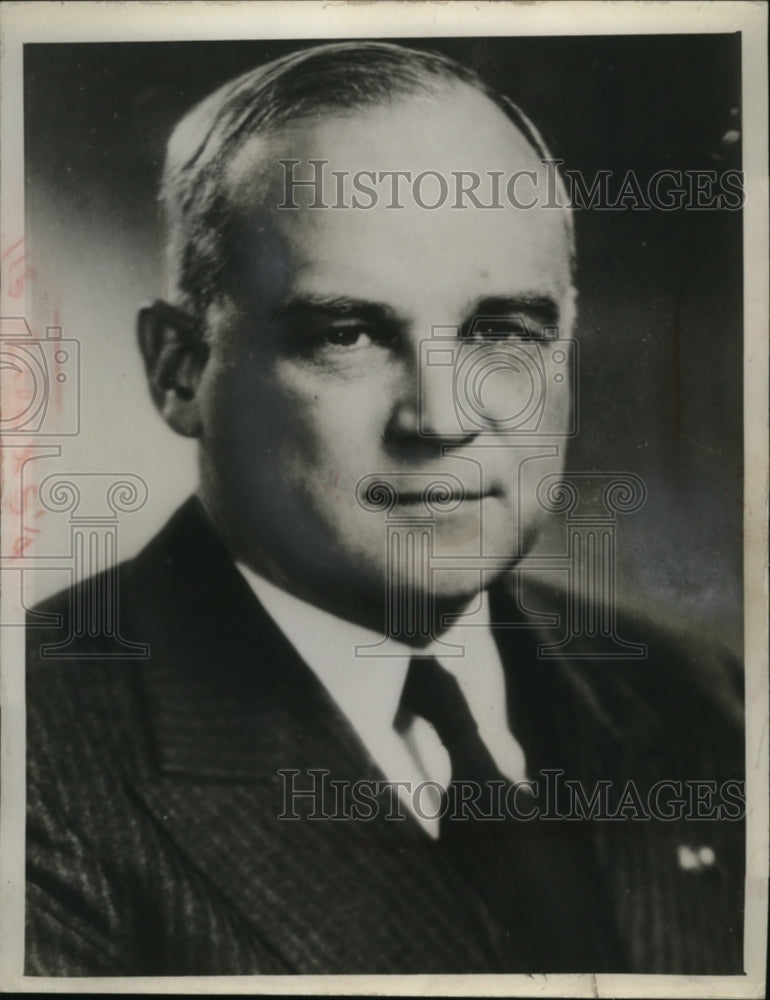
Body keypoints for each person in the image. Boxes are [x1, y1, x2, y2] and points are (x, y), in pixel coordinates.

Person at [25, 41, 744, 977]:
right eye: (348, 334)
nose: (440, 418)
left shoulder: (707, 702)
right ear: (180, 369)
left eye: (500, 330)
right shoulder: (33, 762)